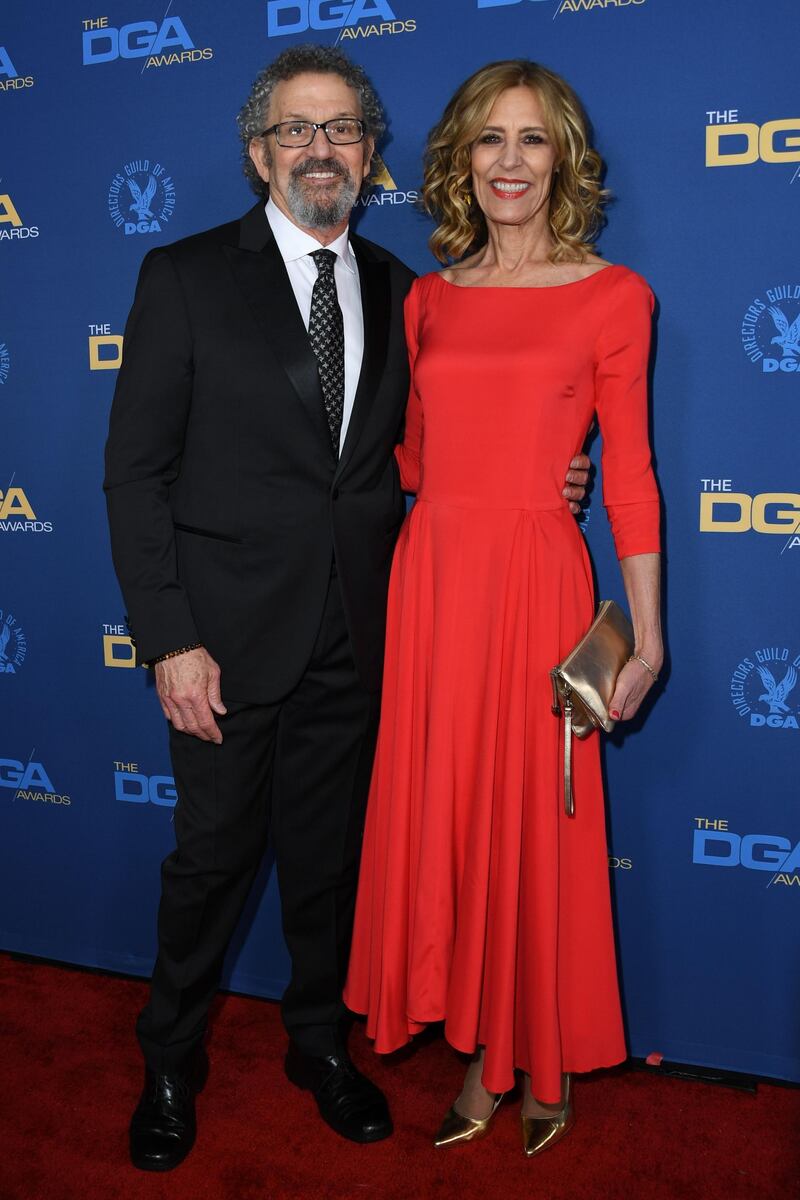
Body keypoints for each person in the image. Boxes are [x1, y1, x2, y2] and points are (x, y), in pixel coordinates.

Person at [104, 45, 590, 1171]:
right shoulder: (181, 276)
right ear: (256, 150)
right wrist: (169, 638)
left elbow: (427, 454)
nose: (318, 149)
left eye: (340, 130)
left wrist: (543, 477)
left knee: (328, 864)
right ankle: (169, 1059)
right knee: (212, 864)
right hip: (220, 644)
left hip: (365, 637)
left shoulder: (401, 290)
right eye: (294, 129)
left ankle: (316, 1043)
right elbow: (136, 477)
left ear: (369, 154)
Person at [344, 59, 663, 1156]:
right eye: (488, 140)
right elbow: (415, 461)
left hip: (534, 581)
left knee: (535, 822)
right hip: (433, 584)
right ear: (459, 162)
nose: (509, 162)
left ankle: (534, 1053)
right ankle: (480, 1039)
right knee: (454, 815)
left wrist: (647, 629)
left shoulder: (615, 295)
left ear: (562, 158)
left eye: (531, 140)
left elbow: (627, 473)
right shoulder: (427, 299)